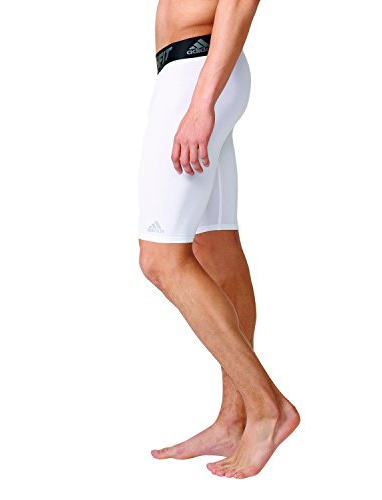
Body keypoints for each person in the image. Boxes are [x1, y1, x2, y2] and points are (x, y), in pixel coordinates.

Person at [138, 0, 300, 479]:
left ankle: (268, 407)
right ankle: (233, 421)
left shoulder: (198, 88)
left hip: (198, 72)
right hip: (196, 70)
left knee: (160, 260)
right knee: (215, 246)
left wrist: (200, 103)